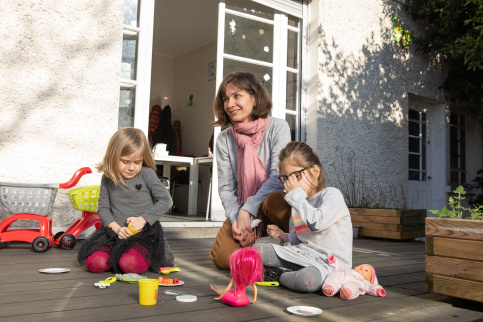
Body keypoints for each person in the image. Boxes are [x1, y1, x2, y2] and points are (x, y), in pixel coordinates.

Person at [209, 71, 292, 270]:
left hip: (270, 205)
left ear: (254, 99)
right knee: (223, 259)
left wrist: (249, 207)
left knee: (276, 200)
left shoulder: (278, 128)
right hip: (243, 211)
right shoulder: (224, 139)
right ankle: (254, 247)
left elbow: (278, 176)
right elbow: (227, 188)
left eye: (237, 96)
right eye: (226, 98)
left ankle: (297, 244)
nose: (229, 104)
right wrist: (237, 218)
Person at [253, 141, 353, 293]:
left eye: (296, 176)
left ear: (315, 172)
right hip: (302, 255)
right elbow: (298, 239)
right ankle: (285, 272)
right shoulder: (297, 204)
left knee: (307, 280)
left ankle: (279, 274)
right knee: (256, 250)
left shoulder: (332, 195)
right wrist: (282, 235)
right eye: (286, 178)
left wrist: (296, 197)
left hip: (329, 264)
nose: (289, 183)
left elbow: (316, 222)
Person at [77, 127, 174, 274]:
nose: (131, 167)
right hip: (114, 234)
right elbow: (103, 208)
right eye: (125, 161)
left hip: (143, 236)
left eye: (137, 162)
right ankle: (117, 257)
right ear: (113, 157)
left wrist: (143, 219)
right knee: (94, 263)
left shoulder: (146, 174)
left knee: (129, 264)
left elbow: (166, 200)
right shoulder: (108, 178)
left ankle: (140, 256)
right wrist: (116, 228)